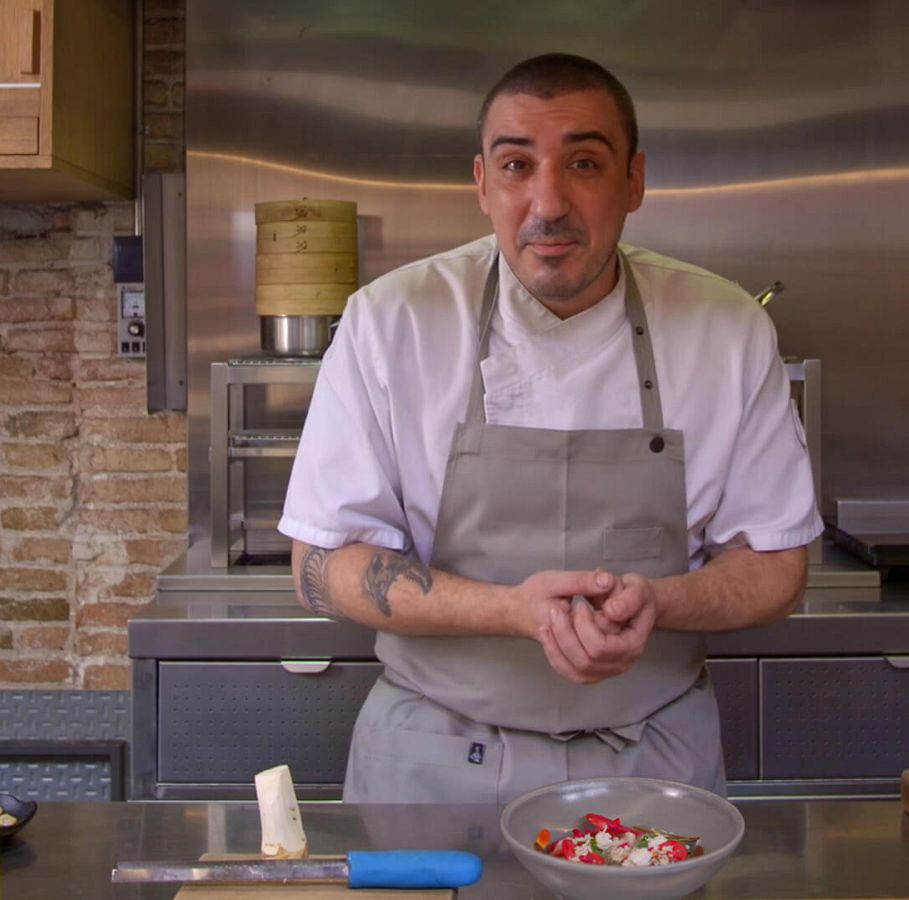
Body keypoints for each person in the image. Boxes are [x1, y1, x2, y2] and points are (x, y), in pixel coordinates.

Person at [279, 53, 821, 804]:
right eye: (515, 165)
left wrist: (658, 603)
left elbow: (776, 564)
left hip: (651, 764)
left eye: (584, 163)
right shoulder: (391, 322)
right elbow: (318, 564)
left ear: (634, 180)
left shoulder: (725, 329)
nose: (548, 202)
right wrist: (509, 611)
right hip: (431, 763)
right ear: (481, 183)